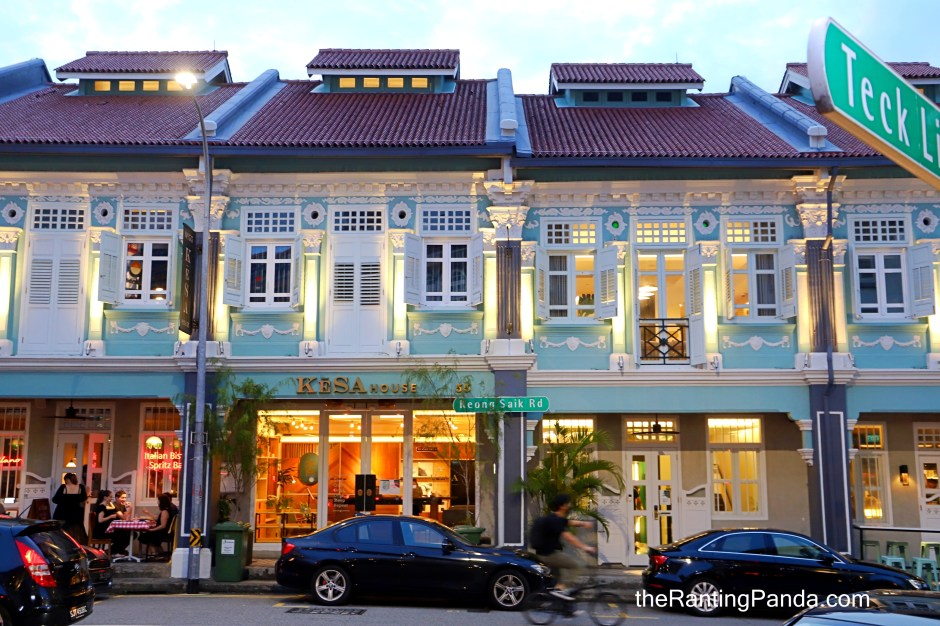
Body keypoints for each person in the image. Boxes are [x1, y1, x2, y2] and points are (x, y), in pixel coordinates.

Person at [529, 493, 597, 601]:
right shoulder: (556, 521)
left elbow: (569, 522)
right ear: (562, 506)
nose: (570, 505)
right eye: (568, 503)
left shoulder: (555, 518)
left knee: (560, 574)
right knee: (577, 565)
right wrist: (585, 547)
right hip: (549, 555)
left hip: (546, 553)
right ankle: (560, 590)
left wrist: (584, 524)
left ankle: (559, 600)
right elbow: (569, 537)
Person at [138, 493, 177, 560]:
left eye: (158, 500)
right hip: (165, 532)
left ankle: (156, 553)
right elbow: (158, 520)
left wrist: (152, 529)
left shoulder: (165, 512)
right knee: (148, 535)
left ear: (161, 502)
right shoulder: (167, 510)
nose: (157, 502)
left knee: (144, 536)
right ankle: (159, 553)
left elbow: (163, 526)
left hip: (163, 533)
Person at [52, 472, 88, 544]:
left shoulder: (63, 487)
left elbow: (55, 500)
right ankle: (76, 546)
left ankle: (64, 545)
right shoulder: (80, 487)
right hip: (76, 513)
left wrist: (64, 500)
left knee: (62, 532)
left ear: (67, 479)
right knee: (76, 532)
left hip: (63, 512)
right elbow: (83, 498)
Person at [110, 490, 132, 555]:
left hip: (119, 528)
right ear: (116, 498)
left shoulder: (122, 506)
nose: (124, 499)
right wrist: (130, 508)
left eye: (125, 498)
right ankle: (113, 551)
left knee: (132, 534)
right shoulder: (113, 505)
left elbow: (127, 518)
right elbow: (123, 517)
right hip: (111, 529)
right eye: (122, 497)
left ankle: (118, 550)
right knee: (126, 534)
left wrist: (129, 510)